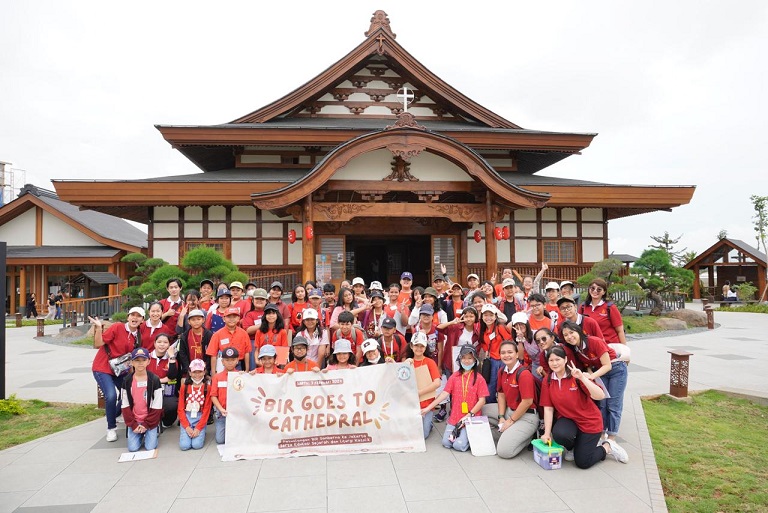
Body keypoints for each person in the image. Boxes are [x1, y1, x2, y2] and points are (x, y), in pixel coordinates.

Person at [539, 346, 628, 467]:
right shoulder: (548, 380)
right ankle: (572, 447)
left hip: (589, 421)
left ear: (565, 360)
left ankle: (607, 447)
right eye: (551, 360)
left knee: (583, 462)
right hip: (569, 419)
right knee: (560, 434)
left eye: (557, 359)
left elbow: (600, 395)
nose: (554, 363)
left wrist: (582, 378)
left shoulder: (576, 376)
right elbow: (548, 408)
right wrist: (547, 433)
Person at [561, 321, 628, 442]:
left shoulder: (594, 341)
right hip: (599, 372)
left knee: (613, 404)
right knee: (602, 403)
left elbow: (607, 365)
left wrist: (591, 377)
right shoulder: (577, 349)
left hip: (616, 370)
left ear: (579, 331)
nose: (569, 336)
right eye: (565, 335)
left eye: (571, 332)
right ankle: (601, 434)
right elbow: (588, 364)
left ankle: (611, 438)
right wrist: (589, 373)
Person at [89, 306, 145, 442]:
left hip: (120, 370)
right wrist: (98, 328)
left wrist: (133, 376)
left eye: (138, 316)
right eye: (133, 315)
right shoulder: (118, 327)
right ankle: (111, 428)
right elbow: (98, 344)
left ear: (142, 320)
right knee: (111, 395)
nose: (135, 318)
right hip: (103, 367)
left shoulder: (138, 336)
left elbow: (131, 358)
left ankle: (115, 413)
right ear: (128, 317)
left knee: (130, 392)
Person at [421, 345, 488, 452]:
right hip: (455, 418)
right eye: (464, 358)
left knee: (459, 446)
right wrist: (428, 408)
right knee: (446, 443)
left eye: (470, 358)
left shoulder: (479, 378)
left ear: (475, 360)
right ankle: (463, 435)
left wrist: (469, 415)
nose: (466, 361)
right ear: (460, 359)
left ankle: (468, 438)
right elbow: (444, 394)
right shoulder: (454, 376)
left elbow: (482, 400)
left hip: (470, 418)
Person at [494, 340, 539, 459]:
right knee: (482, 411)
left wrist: (510, 421)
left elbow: (527, 402)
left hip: (527, 416)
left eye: (510, 352)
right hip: (510, 411)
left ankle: (528, 437)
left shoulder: (524, 374)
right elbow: (501, 394)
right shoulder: (502, 371)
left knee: (504, 452)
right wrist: (501, 416)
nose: (506, 355)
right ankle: (509, 433)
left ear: (517, 354)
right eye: (503, 353)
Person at [121, 347, 163, 452]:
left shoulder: (154, 379)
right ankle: (138, 433)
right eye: (137, 360)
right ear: (132, 362)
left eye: (144, 360)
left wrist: (147, 424)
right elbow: (125, 405)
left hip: (149, 420)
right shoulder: (127, 381)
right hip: (135, 420)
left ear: (148, 361)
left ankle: (152, 430)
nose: (141, 363)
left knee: (150, 447)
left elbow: (157, 405)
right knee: (132, 448)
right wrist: (133, 424)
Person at [404, 334, 440, 438]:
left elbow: (437, 383)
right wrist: (404, 365)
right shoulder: (408, 361)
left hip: (426, 404)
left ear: (425, 347)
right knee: (411, 433)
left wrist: (420, 392)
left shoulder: (430, 362)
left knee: (423, 435)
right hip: (411, 404)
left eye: (422, 346)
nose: (419, 349)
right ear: (411, 346)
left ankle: (429, 424)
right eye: (416, 345)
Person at [478, 303, 511, 403]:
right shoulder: (483, 330)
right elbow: (484, 345)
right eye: (486, 315)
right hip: (492, 360)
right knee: (491, 384)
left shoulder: (500, 327)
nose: (488, 318)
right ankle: (491, 405)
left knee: (505, 384)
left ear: (496, 316)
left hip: (503, 360)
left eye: (491, 315)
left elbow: (509, 341)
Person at [578, 278, 627, 344]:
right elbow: (577, 326)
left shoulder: (610, 307)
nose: (595, 291)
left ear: (604, 292)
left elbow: (620, 330)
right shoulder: (583, 307)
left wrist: (624, 348)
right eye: (592, 288)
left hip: (609, 345)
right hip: (591, 346)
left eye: (599, 289)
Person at [146, 333, 180, 428]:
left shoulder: (171, 359)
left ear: (169, 345)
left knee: (172, 405)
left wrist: (172, 357)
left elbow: (172, 377)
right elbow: (143, 375)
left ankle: (166, 421)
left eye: (165, 342)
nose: (162, 344)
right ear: (154, 344)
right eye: (159, 342)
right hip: (148, 387)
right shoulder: (147, 357)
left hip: (167, 388)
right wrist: (162, 380)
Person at [178, 359, 212, 451]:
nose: (197, 375)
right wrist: (187, 426)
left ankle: (202, 431)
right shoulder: (184, 387)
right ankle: (187, 431)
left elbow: (207, 409)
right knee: (184, 446)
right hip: (187, 417)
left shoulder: (207, 388)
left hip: (200, 417)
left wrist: (198, 428)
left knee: (197, 445)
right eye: (194, 372)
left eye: (200, 372)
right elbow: (180, 409)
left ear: (204, 372)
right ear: (189, 372)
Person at [207, 307, 251, 373]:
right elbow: (213, 354)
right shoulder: (217, 334)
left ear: (238, 318)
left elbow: (247, 352)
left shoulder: (244, 333)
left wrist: (247, 370)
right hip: (222, 364)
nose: (231, 319)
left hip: (239, 365)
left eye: (234, 317)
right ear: (224, 319)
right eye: (229, 317)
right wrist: (213, 373)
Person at [210, 347, 240, 444]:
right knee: (220, 440)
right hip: (222, 413)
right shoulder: (217, 377)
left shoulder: (240, 376)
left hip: (237, 413)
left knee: (236, 439)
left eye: (233, 360)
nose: (230, 362)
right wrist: (220, 409)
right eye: (227, 360)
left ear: (237, 361)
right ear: (222, 361)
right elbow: (213, 395)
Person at [177, 309, 213, 377]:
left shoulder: (208, 334)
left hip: (204, 369)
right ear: (189, 321)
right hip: (190, 370)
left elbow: (210, 353)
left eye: (198, 319)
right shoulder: (184, 336)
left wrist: (207, 369)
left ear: (203, 320)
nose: (196, 322)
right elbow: (182, 354)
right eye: (193, 320)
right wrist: (188, 369)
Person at [242, 288, 268, 369]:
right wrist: (264, 324)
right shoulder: (249, 314)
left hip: (268, 340)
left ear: (266, 301)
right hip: (253, 341)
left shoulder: (270, 312)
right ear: (252, 300)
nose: (259, 301)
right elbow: (248, 330)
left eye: (262, 299)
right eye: (257, 298)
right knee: (253, 366)